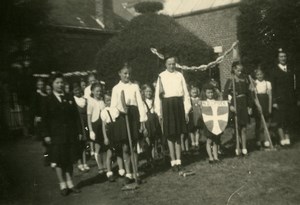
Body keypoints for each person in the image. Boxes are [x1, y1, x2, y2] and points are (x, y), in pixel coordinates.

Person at [41, 73, 81, 196]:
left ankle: (70, 183)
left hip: (70, 134)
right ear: (52, 84)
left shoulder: (69, 97)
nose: (60, 85)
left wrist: (79, 131)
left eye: (61, 82)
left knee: (69, 159)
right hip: (56, 135)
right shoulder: (48, 100)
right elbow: (45, 119)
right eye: (57, 82)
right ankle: (62, 185)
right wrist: (46, 135)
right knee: (59, 160)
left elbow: (76, 117)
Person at [110, 63, 147, 184]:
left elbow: (140, 104)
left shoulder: (135, 86)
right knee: (126, 147)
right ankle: (128, 173)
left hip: (133, 115)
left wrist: (142, 120)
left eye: (129, 73)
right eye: (125, 73)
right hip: (122, 117)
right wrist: (121, 110)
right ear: (119, 74)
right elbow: (113, 106)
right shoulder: (116, 88)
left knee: (134, 147)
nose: (127, 75)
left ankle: (136, 172)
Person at [154, 55, 191, 171]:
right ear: (165, 64)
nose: (171, 66)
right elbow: (157, 96)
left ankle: (179, 161)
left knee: (179, 134)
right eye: (169, 64)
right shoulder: (161, 76)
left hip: (178, 105)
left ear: (176, 64)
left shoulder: (179, 75)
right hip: (167, 106)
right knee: (170, 135)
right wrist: (159, 112)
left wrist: (186, 110)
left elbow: (185, 93)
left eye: (173, 64)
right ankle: (173, 161)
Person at [223, 62, 252, 156]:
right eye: (238, 70)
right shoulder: (230, 80)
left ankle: (244, 148)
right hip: (235, 105)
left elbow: (248, 94)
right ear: (234, 69)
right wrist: (230, 105)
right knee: (236, 127)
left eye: (241, 70)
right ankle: (237, 147)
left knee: (243, 127)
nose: (240, 72)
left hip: (243, 104)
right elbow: (225, 95)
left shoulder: (245, 79)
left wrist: (249, 106)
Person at [271, 49, 299, 146]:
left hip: (289, 99)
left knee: (288, 119)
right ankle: (282, 139)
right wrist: (274, 101)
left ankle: (287, 139)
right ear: (278, 58)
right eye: (281, 57)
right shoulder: (274, 71)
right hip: (280, 100)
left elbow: (294, 85)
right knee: (280, 120)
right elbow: (273, 87)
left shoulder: (290, 70)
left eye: (284, 56)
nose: (283, 58)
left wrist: (296, 98)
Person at [87, 83, 106, 174]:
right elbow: (89, 118)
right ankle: (100, 167)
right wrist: (90, 130)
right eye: (97, 91)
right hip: (95, 126)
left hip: (102, 125)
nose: (99, 93)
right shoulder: (90, 102)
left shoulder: (102, 102)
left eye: (100, 91)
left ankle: (105, 166)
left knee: (104, 147)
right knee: (97, 148)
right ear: (92, 92)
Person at [141, 84, 162, 166]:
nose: (149, 93)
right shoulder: (142, 102)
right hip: (147, 123)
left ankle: (153, 158)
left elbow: (157, 111)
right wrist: (143, 127)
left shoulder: (154, 101)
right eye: (147, 91)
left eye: (150, 91)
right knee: (148, 142)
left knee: (154, 141)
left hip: (154, 122)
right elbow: (142, 115)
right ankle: (148, 159)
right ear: (143, 92)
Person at [201, 84, 222, 163]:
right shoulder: (204, 102)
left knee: (216, 140)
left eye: (211, 93)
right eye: (208, 93)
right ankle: (210, 157)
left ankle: (216, 157)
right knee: (209, 140)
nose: (210, 94)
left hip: (215, 123)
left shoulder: (216, 101)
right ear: (205, 93)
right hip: (208, 123)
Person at [253, 68, 272, 148]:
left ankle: (266, 140)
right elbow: (254, 97)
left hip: (265, 103)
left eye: (261, 74)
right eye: (258, 75)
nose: (259, 76)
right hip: (258, 104)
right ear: (255, 76)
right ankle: (258, 141)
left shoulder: (267, 83)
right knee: (258, 123)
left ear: (263, 74)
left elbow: (270, 96)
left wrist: (269, 107)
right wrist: (258, 105)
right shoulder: (254, 83)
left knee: (267, 123)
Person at [73, 86, 90, 172]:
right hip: (77, 125)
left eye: (79, 91)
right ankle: (79, 163)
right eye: (75, 91)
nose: (77, 92)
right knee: (78, 145)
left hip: (85, 124)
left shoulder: (84, 100)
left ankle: (85, 162)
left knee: (84, 144)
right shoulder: (73, 100)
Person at [188, 86, 201, 151]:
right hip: (191, 116)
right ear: (190, 93)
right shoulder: (189, 99)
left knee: (197, 130)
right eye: (193, 93)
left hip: (197, 116)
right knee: (191, 130)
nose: (194, 94)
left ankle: (197, 142)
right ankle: (193, 142)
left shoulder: (199, 99)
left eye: (195, 93)